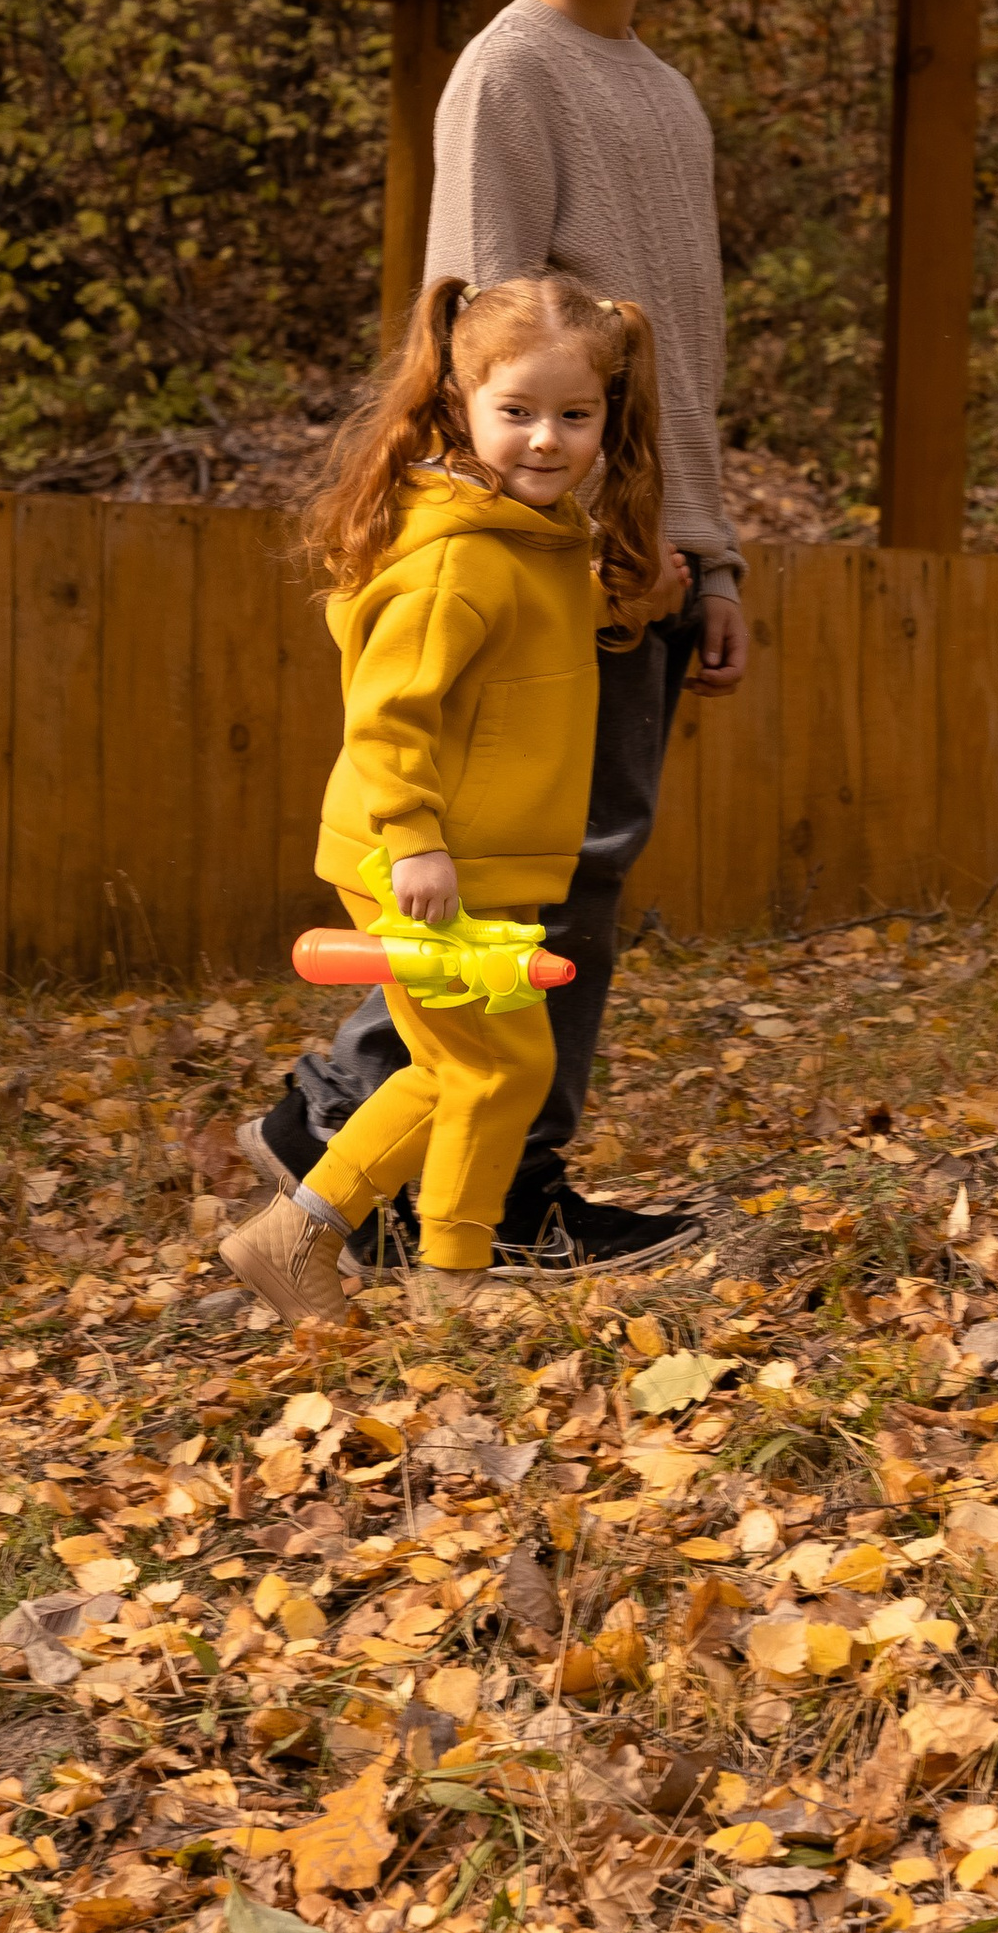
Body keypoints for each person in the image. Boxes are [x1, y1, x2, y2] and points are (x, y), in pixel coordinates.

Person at [246, 0, 749, 1275]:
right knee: (546, 889)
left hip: (639, 554)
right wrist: (486, 532)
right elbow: (479, 329)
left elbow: (679, 365)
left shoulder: (661, 93)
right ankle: (461, 1175)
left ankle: (382, 1143)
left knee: (578, 879)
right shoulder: (512, 71)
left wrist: (709, 556)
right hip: (544, 560)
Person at [221, 271, 666, 1323]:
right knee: (493, 1068)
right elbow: (388, 719)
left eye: (574, 415)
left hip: (488, 864)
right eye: (516, 413)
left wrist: (633, 590)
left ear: (609, 416)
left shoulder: (537, 540)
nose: (546, 440)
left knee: (459, 1066)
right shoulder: (453, 562)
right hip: (417, 861)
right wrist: (416, 842)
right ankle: (448, 1286)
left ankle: (299, 1242)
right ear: (459, 406)